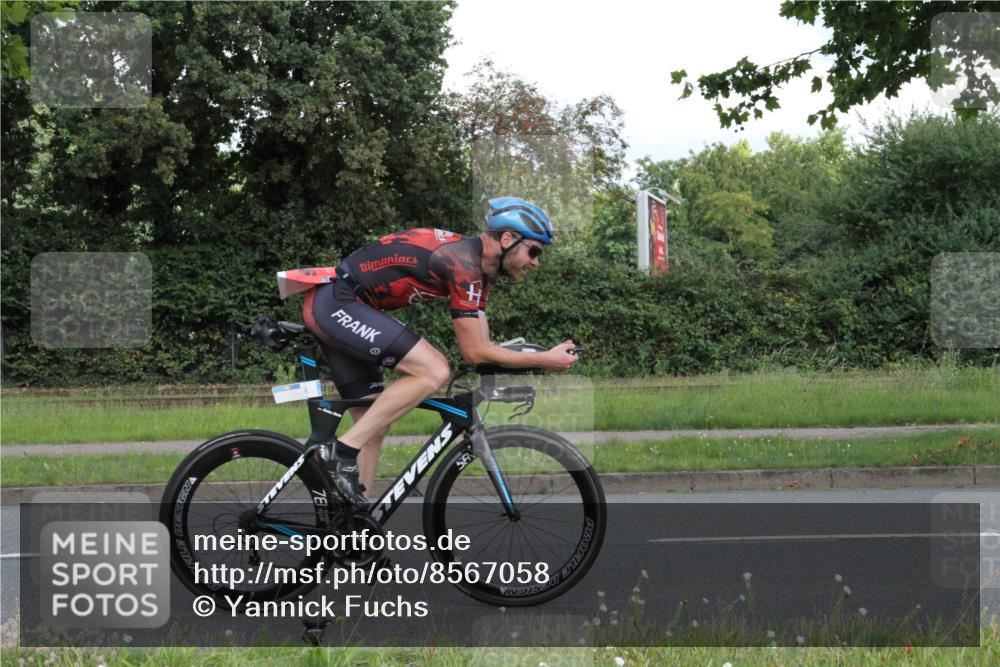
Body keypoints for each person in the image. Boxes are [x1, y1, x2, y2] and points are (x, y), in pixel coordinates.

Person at [301, 197, 579, 508]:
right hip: (337, 302)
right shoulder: (463, 263)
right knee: (433, 370)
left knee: (372, 425)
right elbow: (474, 353)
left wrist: (538, 358)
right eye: (534, 251)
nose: (535, 262)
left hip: (345, 306)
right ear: (507, 239)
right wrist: (544, 360)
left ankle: (352, 531)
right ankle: (341, 453)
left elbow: (485, 350)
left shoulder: (478, 273)